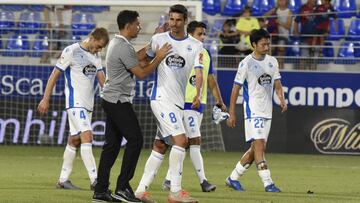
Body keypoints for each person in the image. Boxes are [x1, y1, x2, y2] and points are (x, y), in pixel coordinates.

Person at [134, 20, 227, 203]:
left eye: (177, 19)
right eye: (171, 19)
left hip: (178, 103)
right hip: (161, 99)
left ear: (184, 21)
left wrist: (198, 94)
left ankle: (140, 191)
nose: (174, 23)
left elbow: (201, 73)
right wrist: (153, 52)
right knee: (181, 140)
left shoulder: (196, 47)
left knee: (160, 146)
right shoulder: (160, 39)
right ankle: (175, 191)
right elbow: (138, 58)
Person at [92, 10, 171, 203]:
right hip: (118, 100)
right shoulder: (122, 46)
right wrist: (159, 56)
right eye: (137, 23)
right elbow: (142, 72)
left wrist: (152, 43)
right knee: (136, 140)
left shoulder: (120, 44)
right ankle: (122, 187)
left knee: (111, 147)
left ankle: (101, 191)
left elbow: (136, 57)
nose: (140, 26)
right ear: (128, 26)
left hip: (112, 98)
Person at [37, 28, 110, 190]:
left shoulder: (96, 55)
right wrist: (45, 98)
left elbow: (101, 78)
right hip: (75, 103)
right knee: (87, 136)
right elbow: (54, 75)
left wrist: (109, 96)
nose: (99, 50)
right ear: (92, 38)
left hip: (88, 105)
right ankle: (95, 181)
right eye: (98, 46)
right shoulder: (72, 50)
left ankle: (63, 180)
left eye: (101, 48)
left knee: (75, 140)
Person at [225, 29, 287, 193]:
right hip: (253, 110)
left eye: (268, 43)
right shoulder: (246, 63)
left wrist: (282, 98)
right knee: (259, 146)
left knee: (255, 149)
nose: (267, 46)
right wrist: (232, 112)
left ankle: (233, 178)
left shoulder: (273, 61)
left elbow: (278, 85)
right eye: (263, 44)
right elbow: (235, 89)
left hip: (268, 111)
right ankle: (268, 183)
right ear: (254, 45)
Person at [264, 0, 292, 69]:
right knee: (269, 51)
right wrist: (272, 11)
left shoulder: (289, 12)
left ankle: (281, 70)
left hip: (283, 35)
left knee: (281, 50)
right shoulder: (275, 10)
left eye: (283, 1)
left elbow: (288, 26)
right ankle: (269, 70)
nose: (281, 2)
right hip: (273, 35)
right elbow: (264, 17)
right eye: (280, 0)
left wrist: (279, 22)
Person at [293, 0, 316, 70]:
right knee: (303, 58)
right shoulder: (302, 8)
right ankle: (301, 78)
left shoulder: (318, 8)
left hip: (315, 39)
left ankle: (313, 78)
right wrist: (295, 31)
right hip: (304, 38)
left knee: (313, 60)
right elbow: (296, 21)